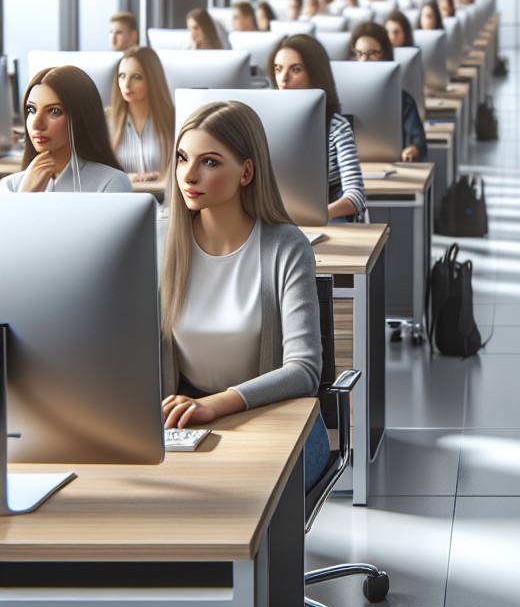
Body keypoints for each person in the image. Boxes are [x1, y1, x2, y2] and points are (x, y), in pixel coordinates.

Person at [159, 100, 330, 494]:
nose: (189, 174)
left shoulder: (286, 246)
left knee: (236, 497)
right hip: (187, 422)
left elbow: (304, 370)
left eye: (210, 162)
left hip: (278, 419)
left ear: (246, 172)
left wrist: (216, 405)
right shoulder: (159, 243)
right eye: (183, 158)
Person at [269, 34, 365, 222]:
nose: (283, 79)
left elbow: (355, 197)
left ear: (315, 74)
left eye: (295, 70)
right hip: (279, 223)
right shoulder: (264, 123)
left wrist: (315, 216)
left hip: (327, 223)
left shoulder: (336, 127)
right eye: (278, 69)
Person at [3, 65, 132, 194]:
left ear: (81, 116)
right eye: (32, 110)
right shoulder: (10, 187)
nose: (36, 124)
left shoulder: (111, 183)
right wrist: (25, 194)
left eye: (54, 111)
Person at [349, 22, 428, 162]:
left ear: (385, 55)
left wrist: (413, 149)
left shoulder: (402, 100)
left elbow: (419, 142)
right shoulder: (342, 98)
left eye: (372, 53)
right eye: (359, 53)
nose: (364, 60)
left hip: (392, 170)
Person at [108, 46, 176, 182]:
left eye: (136, 77)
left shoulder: (173, 119)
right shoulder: (107, 122)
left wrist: (162, 179)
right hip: (124, 198)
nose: (127, 84)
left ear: (152, 79)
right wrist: (126, 179)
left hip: (164, 199)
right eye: (122, 76)